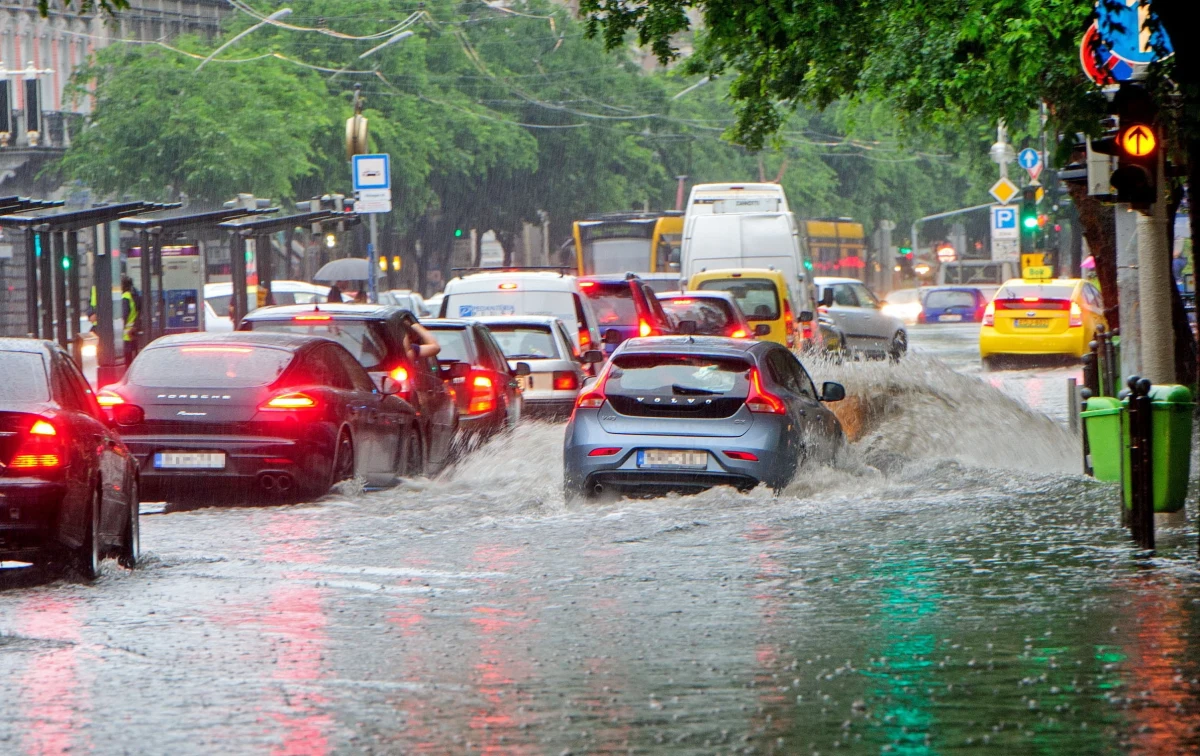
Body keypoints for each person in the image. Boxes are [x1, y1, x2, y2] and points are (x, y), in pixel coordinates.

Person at [120, 275, 141, 365]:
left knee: (128, 361)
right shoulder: (133, 296)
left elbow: (124, 315)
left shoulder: (125, 297)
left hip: (126, 335)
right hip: (132, 332)